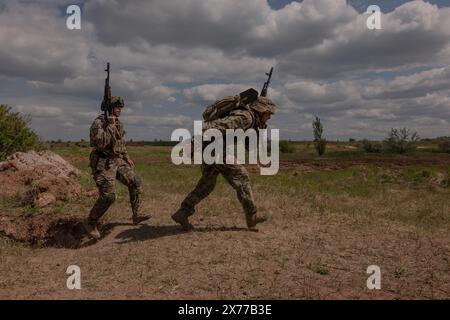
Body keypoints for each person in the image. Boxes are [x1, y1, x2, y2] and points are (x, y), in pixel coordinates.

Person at [171, 95, 276, 231]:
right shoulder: (246, 117)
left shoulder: (250, 121)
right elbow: (213, 127)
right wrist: (193, 143)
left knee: (206, 185)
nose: (270, 117)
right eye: (269, 114)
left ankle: (183, 213)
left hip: (211, 149)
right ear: (262, 111)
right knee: (242, 177)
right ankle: (252, 217)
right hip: (215, 149)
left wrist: (259, 130)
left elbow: (248, 146)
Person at [84, 96, 150, 238]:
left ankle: (136, 214)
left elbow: (120, 142)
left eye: (121, 107)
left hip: (117, 160)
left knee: (135, 182)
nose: (120, 110)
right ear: (109, 108)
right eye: (117, 107)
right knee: (109, 196)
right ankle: (90, 222)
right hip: (103, 162)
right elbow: (100, 143)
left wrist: (126, 157)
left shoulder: (118, 123)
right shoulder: (99, 123)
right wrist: (111, 126)